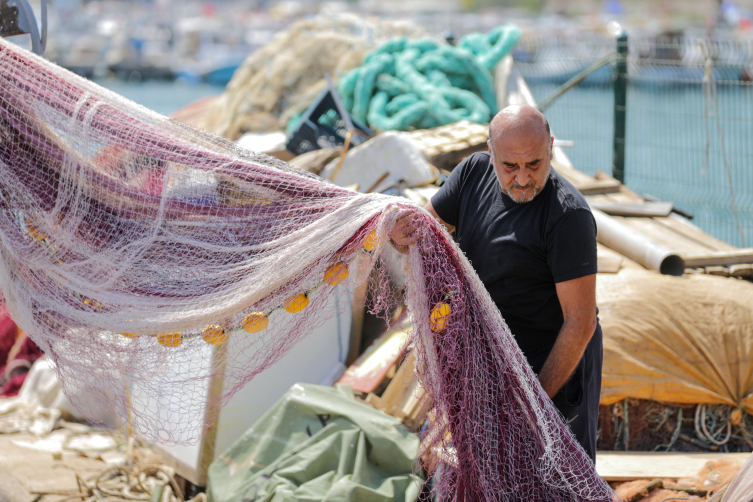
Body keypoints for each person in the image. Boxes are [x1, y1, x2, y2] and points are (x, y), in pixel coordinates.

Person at [390, 104, 602, 462]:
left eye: (534, 164)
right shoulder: (472, 174)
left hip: (552, 362)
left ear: (550, 148)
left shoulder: (569, 217)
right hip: (491, 355)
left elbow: (580, 323)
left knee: (551, 475)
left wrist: (533, 401)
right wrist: (399, 233)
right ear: (491, 155)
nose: (522, 178)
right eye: (510, 166)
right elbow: (421, 232)